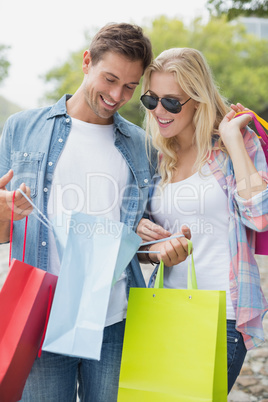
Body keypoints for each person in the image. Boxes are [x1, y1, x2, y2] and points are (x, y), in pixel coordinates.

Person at [0, 24, 190, 401]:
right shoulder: (22, 128)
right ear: (87, 62)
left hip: (115, 321)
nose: (117, 95)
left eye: (130, 87)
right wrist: (4, 212)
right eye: (110, 79)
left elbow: (138, 242)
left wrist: (164, 246)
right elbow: (3, 234)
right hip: (41, 320)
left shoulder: (140, 143)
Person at [136, 47, 268, 393]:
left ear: (198, 100)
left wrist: (232, 139)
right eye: (152, 100)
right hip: (162, 308)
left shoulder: (232, 148)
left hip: (220, 313)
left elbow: (260, 215)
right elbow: (141, 248)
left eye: (172, 102)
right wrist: (147, 240)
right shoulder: (155, 155)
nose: (159, 111)